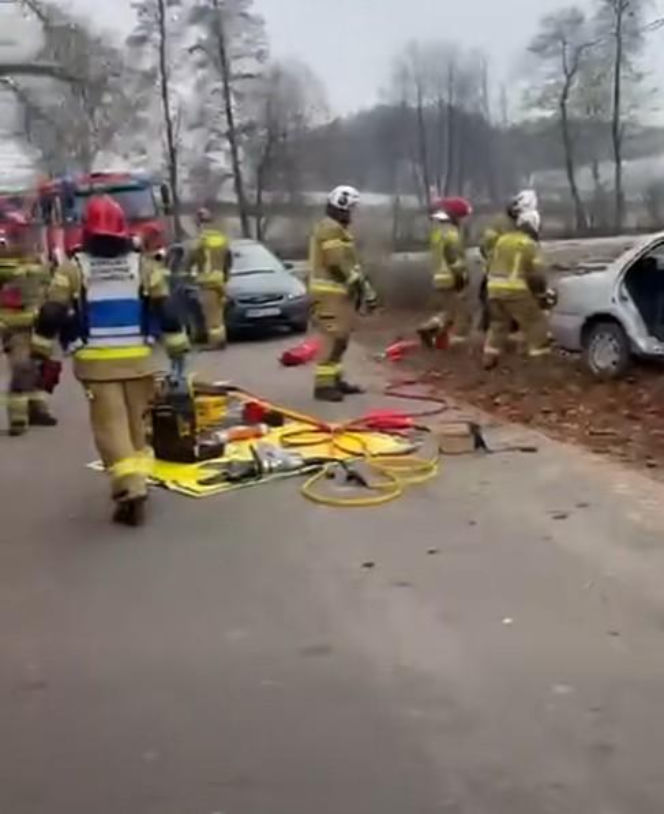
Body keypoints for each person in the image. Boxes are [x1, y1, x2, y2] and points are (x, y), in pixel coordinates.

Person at [32, 195, 189, 526]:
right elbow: (167, 309)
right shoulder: (144, 266)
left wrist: (39, 351)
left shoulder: (73, 269)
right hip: (139, 362)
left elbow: (52, 312)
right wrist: (177, 349)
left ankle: (130, 491)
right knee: (137, 428)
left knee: (110, 429)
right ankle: (139, 483)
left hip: (96, 365)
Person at [309, 185, 377, 402]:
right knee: (333, 336)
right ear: (341, 206)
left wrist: (365, 289)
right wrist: (356, 284)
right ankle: (323, 386)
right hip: (329, 294)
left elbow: (350, 264)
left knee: (342, 338)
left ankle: (335, 379)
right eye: (350, 209)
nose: (352, 214)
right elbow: (336, 261)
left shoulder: (339, 230)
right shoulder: (330, 229)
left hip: (339, 294)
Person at [0, 211, 57, 436]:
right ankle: (18, 417)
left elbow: (46, 285)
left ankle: (38, 410)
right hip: (14, 327)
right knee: (22, 366)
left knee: (39, 367)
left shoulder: (34, 258)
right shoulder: (5, 263)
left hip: (38, 323)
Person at [482, 208, 552, 370]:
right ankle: (539, 363)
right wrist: (541, 295)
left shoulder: (502, 240)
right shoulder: (529, 244)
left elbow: (489, 263)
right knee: (536, 322)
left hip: (493, 290)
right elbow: (537, 275)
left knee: (498, 324)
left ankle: (489, 359)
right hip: (515, 291)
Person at [478, 190, 538, 331]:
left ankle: (494, 342)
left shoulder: (500, 222)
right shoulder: (517, 224)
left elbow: (484, 247)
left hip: (496, 274)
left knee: (495, 311)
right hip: (511, 274)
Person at [418, 197, 473, 349]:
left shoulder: (437, 232)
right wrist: (461, 277)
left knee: (448, 310)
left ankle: (440, 341)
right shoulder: (452, 234)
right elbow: (454, 259)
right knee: (455, 312)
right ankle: (429, 328)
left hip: (438, 276)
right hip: (450, 278)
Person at [189, 207, 231, 349]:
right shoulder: (222, 238)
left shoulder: (202, 239)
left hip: (207, 281)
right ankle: (221, 338)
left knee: (211, 314)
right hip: (219, 279)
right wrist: (226, 276)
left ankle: (215, 343)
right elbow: (227, 259)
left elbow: (193, 257)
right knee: (218, 313)